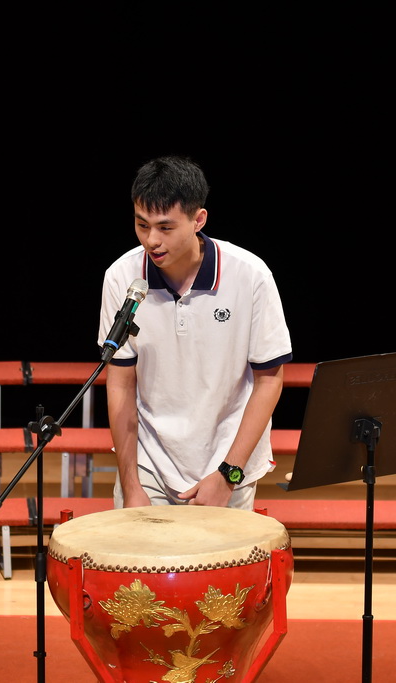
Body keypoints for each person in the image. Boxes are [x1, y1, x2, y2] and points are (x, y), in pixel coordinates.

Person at [98, 155, 292, 510]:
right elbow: (120, 384)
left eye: (165, 227)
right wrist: (131, 484)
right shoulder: (122, 277)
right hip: (149, 466)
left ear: (198, 220)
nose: (151, 240)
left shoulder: (250, 276)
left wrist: (228, 475)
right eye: (142, 225)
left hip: (228, 465)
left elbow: (269, 381)